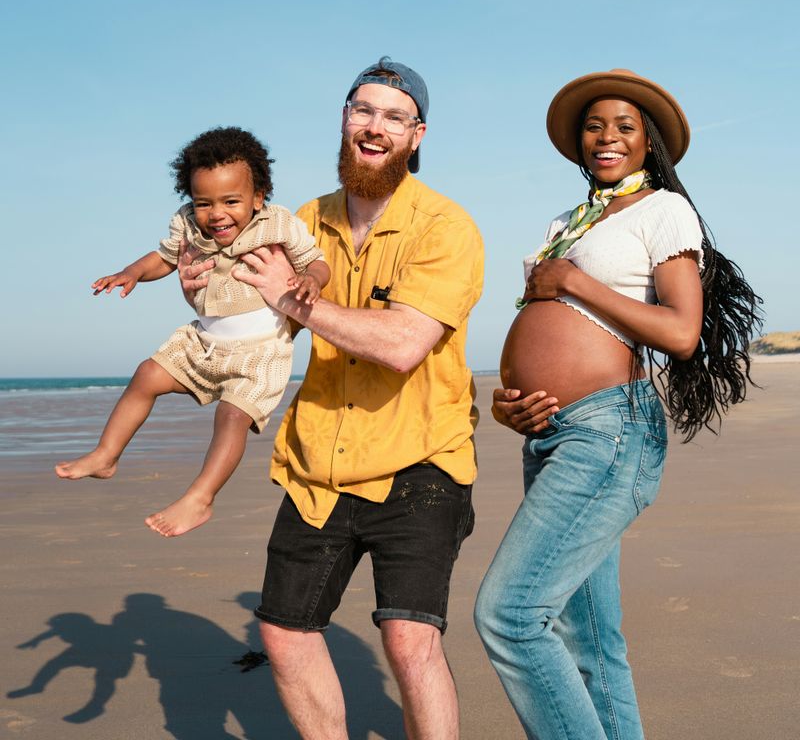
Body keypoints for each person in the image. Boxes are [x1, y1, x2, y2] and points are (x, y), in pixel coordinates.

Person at [182, 58, 484, 740]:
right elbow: (242, 313)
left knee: (409, 639)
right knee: (284, 634)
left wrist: (287, 295)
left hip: (423, 461)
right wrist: (203, 289)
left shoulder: (446, 227)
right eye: (362, 110)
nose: (374, 126)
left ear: (417, 135)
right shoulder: (298, 222)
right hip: (319, 461)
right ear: (345, 120)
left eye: (393, 116)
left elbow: (405, 342)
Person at [474, 68, 762, 740]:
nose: (607, 137)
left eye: (624, 127)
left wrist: (572, 279)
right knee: (590, 642)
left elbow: (681, 332)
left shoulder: (664, 211)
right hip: (548, 435)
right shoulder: (565, 222)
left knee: (511, 615)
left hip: (605, 433)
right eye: (595, 126)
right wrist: (508, 407)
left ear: (648, 142)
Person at [55, 126, 330, 539]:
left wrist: (313, 280)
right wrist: (131, 273)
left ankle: (201, 497)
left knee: (232, 416)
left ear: (259, 197)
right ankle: (106, 455)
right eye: (204, 203)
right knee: (147, 373)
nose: (216, 213)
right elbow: (162, 259)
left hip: (260, 354)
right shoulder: (188, 225)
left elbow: (316, 260)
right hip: (204, 342)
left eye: (231, 201)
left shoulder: (278, 225)